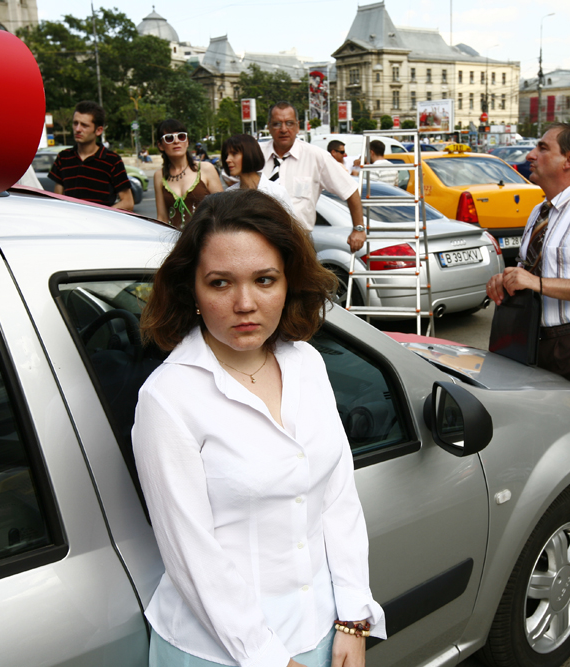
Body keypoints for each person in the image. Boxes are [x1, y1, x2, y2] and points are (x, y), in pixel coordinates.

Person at [133, 188, 386, 667]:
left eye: (264, 280)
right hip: (222, 651)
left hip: (322, 632)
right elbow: (192, 554)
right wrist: (268, 657)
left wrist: (354, 616)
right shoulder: (169, 399)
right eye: (221, 283)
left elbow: (337, 496)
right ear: (192, 288)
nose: (245, 303)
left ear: (289, 281)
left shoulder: (306, 363)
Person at [484, 122, 570, 400]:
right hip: (532, 339)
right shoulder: (540, 210)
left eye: (542, 147)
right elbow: (531, 269)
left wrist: (537, 282)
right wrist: (508, 279)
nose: (530, 155)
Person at [261, 103, 367, 252]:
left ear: (298, 126)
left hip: (298, 243)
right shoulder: (256, 155)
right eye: (277, 124)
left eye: (289, 123)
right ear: (269, 127)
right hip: (260, 241)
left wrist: (359, 228)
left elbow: (350, 189)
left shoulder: (316, 156)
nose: (284, 129)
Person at [50, 100, 133, 210]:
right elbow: (58, 200)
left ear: (98, 131)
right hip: (71, 224)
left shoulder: (112, 160)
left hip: (101, 225)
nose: (78, 129)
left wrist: (103, 215)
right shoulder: (63, 157)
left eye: (84, 125)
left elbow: (128, 202)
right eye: (75, 123)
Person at [154, 119, 224, 229]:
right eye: (169, 138)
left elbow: (222, 210)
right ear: (160, 145)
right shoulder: (159, 176)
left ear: (187, 141)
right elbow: (162, 218)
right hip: (175, 242)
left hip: (204, 240)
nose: (176, 141)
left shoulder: (206, 169)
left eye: (181, 136)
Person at [221, 134, 297, 220]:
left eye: (234, 153)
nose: (228, 159)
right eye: (226, 155)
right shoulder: (229, 195)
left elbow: (292, 227)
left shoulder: (277, 193)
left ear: (249, 154)